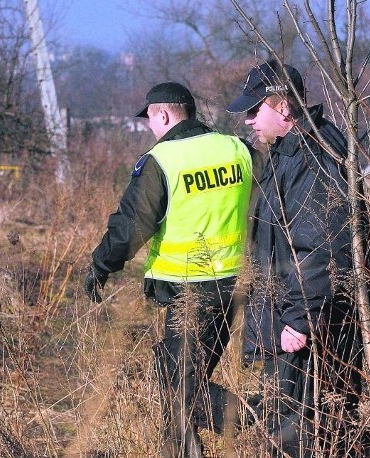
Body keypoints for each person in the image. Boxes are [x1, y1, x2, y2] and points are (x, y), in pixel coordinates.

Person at [84, 82, 254, 457]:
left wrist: (101, 264)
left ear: (162, 114)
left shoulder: (163, 160)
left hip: (191, 290)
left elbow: (133, 224)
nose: (150, 128)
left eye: (149, 120)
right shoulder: (238, 148)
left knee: (180, 385)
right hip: (237, 284)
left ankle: (273, 418)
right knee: (176, 379)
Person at [227, 60, 367, 456]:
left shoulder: (313, 154)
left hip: (307, 327)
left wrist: (302, 316)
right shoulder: (288, 153)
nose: (249, 121)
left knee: (302, 436)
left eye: (255, 110)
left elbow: (325, 242)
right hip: (294, 320)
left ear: (284, 107)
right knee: (302, 430)